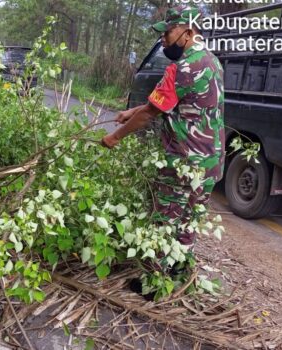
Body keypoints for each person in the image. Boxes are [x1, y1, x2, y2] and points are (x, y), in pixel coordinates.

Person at [101, 5, 225, 260]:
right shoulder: (212, 61)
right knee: (189, 222)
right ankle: (180, 270)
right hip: (211, 162)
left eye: (167, 33)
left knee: (165, 221)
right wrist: (131, 111)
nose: (163, 40)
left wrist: (114, 137)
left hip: (183, 162)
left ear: (187, 33)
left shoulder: (180, 69)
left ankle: (153, 280)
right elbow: (172, 101)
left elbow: (149, 114)